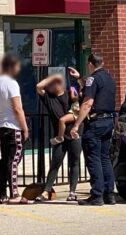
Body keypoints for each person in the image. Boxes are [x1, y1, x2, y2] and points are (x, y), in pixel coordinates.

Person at [70, 53, 116, 206]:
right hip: (109, 120)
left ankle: (97, 195)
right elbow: (95, 90)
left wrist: (76, 124)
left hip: (96, 122)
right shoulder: (109, 78)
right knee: (105, 158)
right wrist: (79, 79)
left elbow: (88, 102)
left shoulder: (93, 79)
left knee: (93, 157)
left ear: (90, 64)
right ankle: (109, 194)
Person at [35, 73, 82, 201]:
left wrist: (76, 78)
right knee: (55, 163)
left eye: (51, 84)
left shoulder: (70, 94)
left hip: (73, 134)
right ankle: (46, 191)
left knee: (74, 162)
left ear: (58, 84)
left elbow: (81, 102)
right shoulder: (49, 98)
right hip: (59, 136)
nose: (49, 86)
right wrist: (51, 78)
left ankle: (72, 192)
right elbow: (39, 87)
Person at [0, 54, 29, 204]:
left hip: (1, 126)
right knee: (13, 161)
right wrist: (25, 128)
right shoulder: (11, 83)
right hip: (13, 127)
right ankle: (14, 193)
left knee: (5, 160)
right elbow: (18, 108)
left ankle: (2, 193)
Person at [50, 76, 83, 145]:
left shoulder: (87, 90)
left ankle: (60, 137)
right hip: (75, 110)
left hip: (78, 112)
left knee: (62, 120)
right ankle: (73, 134)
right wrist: (77, 95)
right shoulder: (73, 88)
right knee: (62, 120)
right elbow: (73, 98)